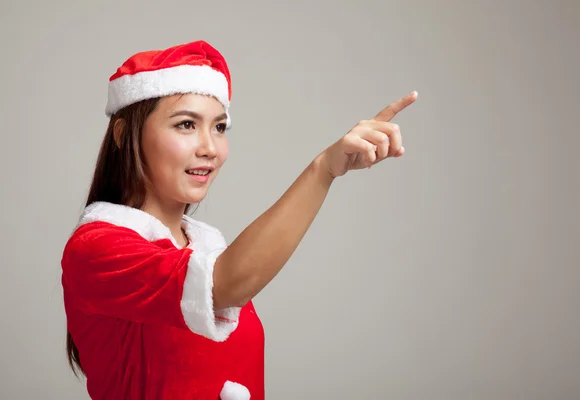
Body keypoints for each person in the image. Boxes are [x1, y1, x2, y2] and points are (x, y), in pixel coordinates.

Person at [60, 39, 418, 400]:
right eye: (186, 124)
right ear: (124, 134)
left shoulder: (206, 248)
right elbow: (224, 284)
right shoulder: (96, 248)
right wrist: (323, 170)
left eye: (219, 127)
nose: (210, 147)